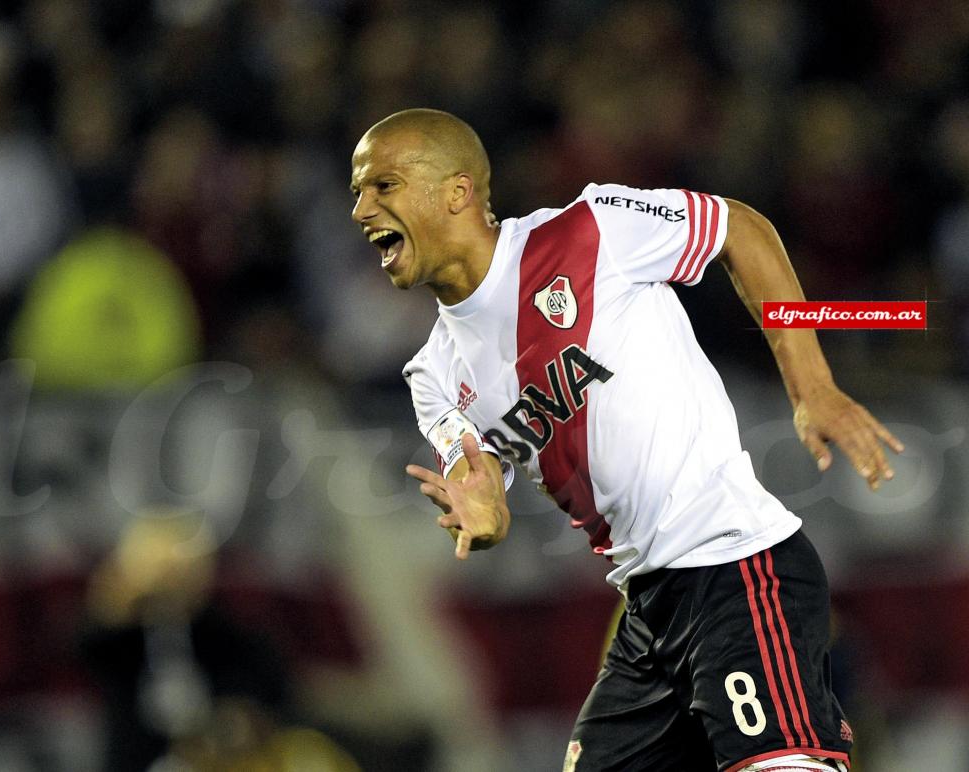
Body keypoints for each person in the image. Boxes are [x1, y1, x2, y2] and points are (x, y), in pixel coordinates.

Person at [348, 108, 902, 772]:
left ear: (457, 192)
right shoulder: (432, 377)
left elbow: (740, 230)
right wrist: (485, 518)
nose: (360, 209)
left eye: (382, 185)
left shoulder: (590, 230)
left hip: (738, 568)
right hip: (648, 613)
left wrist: (811, 385)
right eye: (358, 191)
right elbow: (479, 486)